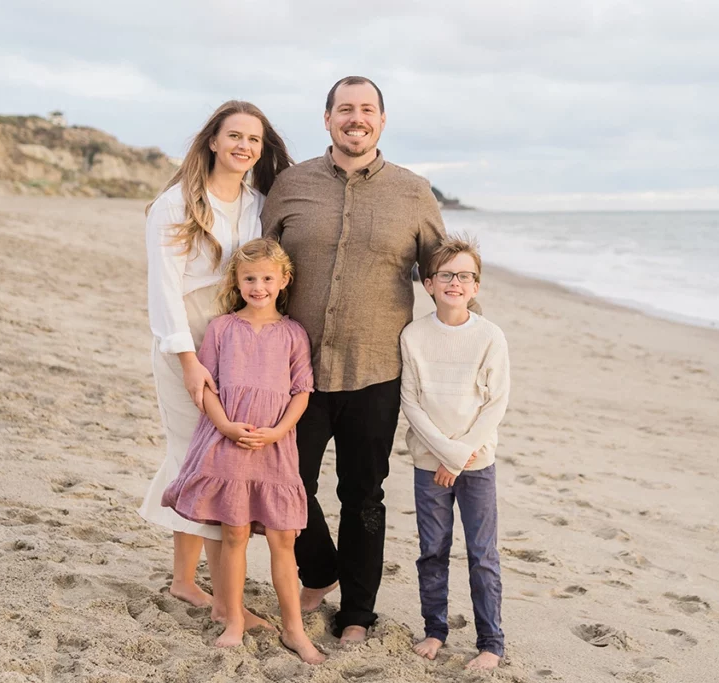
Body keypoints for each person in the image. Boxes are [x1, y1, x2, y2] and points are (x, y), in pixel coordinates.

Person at [262, 75, 480, 643]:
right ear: (327, 118)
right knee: (286, 483)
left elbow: (442, 273)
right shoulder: (291, 184)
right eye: (344, 109)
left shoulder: (412, 191)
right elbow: (259, 267)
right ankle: (320, 568)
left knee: (364, 494)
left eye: (367, 110)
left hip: (377, 369)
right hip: (294, 371)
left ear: (382, 121)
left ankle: (358, 611)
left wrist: (466, 348)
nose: (355, 118)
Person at [136, 100, 292, 631]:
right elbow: (163, 290)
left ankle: (185, 580)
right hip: (188, 337)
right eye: (235, 136)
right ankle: (227, 604)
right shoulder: (175, 203)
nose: (244, 146)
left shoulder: (258, 202)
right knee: (200, 456)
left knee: (198, 455)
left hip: (235, 338)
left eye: (254, 139)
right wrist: (186, 359)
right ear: (212, 141)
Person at [161, 238, 325, 665]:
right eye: (250, 278)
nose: (258, 286)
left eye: (268, 278)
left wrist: (276, 432)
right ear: (236, 279)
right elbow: (205, 386)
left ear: (284, 281)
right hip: (227, 440)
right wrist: (226, 425)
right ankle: (233, 618)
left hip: (275, 445)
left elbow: (301, 391)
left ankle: (294, 629)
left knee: (282, 536)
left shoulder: (293, 334)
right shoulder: (221, 328)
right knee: (233, 532)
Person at [400, 236, 510, 671]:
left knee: (482, 553)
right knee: (433, 549)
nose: (455, 282)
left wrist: (460, 454)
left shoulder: (489, 337)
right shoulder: (414, 335)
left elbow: (495, 403)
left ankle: (491, 642)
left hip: (476, 463)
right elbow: (411, 402)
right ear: (428, 283)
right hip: (430, 463)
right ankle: (435, 630)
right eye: (446, 275)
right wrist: (445, 455)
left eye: (465, 275)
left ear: (476, 286)